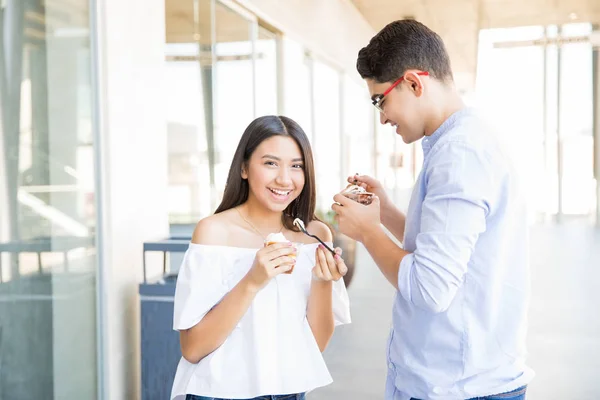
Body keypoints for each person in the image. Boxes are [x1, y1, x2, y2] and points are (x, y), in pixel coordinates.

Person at [331, 19, 534, 400]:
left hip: (460, 387)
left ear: (413, 82)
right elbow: (452, 251)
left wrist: (368, 232)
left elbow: (430, 287)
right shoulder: (463, 142)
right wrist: (387, 212)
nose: (382, 116)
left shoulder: (459, 155)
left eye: (381, 100)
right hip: (465, 380)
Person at [170, 115, 351, 400]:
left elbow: (315, 344)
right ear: (243, 168)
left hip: (289, 392)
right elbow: (193, 348)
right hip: (218, 394)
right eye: (270, 163)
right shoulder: (214, 232)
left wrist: (322, 280)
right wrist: (253, 280)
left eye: (296, 166)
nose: (284, 178)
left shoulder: (314, 235)